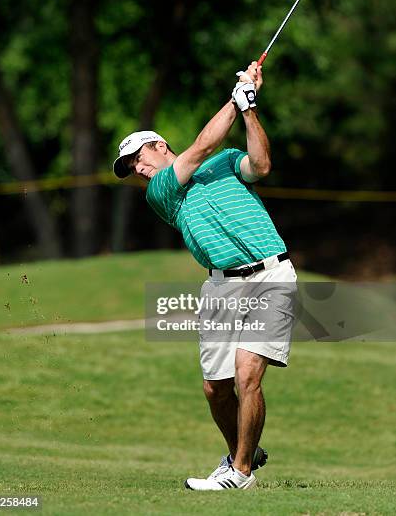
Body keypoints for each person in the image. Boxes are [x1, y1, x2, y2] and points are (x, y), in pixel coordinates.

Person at [113, 62, 297, 491]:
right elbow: (199, 146)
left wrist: (249, 108)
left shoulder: (227, 162)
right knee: (216, 390)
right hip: (221, 285)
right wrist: (238, 96)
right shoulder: (162, 192)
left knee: (247, 373)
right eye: (131, 169)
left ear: (159, 146)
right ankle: (241, 453)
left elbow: (261, 164)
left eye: (137, 161)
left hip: (270, 273)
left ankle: (241, 472)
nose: (138, 171)